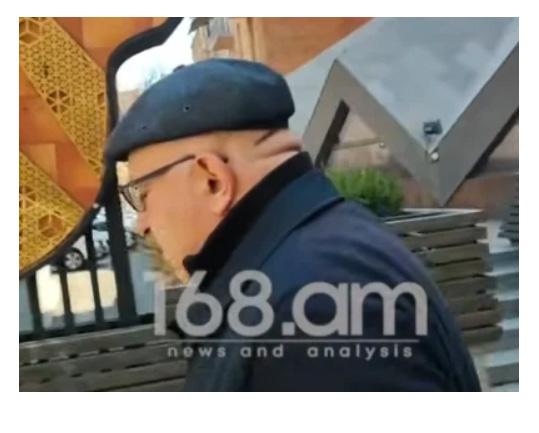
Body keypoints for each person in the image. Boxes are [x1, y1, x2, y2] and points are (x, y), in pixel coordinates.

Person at [105, 58, 480, 391]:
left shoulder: (312, 306)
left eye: (143, 195)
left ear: (212, 180)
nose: (142, 224)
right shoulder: (319, 253)